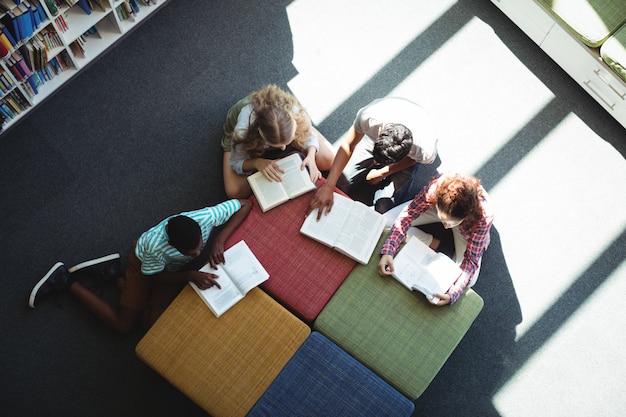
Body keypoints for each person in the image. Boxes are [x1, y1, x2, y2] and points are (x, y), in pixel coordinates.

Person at [29, 198, 252, 334]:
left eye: (199, 246)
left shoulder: (206, 216)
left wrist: (219, 240)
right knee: (124, 326)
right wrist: (190, 276)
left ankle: (111, 273)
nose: (197, 253)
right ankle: (64, 280)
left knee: (149, 324)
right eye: (190, 252)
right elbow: (155, 277)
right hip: (144, 266)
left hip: (172, 269)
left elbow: (245, 203)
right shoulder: (155, 248)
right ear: (171, 245)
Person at [307, 96, 438, 217]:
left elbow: (412, 160)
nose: (375, 162)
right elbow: (348, 145)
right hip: (379, 137)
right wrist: (329, 185)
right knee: (342, 181)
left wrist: (383, 172)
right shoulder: (369, 117)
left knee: (384, 210)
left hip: (404, 160)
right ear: (379, 133)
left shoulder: (424, 149)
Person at [378, 173, 493, 306]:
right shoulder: (435, 188)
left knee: (470, 280)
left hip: (466, 229)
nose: (445, 226)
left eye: (450, 223)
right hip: (435, 208)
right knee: (384, 222)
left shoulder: (483, 218)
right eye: (443, 220)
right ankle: (431, 239)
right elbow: (407, 216)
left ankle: (431, 232)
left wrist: (452, 295)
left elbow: (471, 261)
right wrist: (388, 251)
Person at [221, 84, 335, 198]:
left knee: (328, 160)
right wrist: (256, 162)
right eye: (275, 145)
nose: (283, 149)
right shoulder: (243, 132)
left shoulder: (295, 111)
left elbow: (310, 138)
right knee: (235, 192)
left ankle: (300, 130)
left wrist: (311, 155)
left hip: (292, 120)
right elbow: (236, 162)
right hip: (241, 133)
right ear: (261, 135)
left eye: (288, 141)